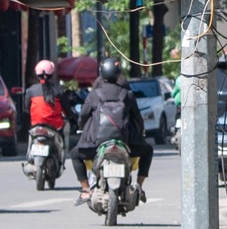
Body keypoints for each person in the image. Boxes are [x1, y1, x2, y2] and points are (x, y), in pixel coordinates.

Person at [72, 57, 152, 201]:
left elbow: (83, 116)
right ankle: (139, 186)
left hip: (96, 144)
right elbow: (137, 118)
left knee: (75, 154)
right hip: (125, 142)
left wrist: (81, 127)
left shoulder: (94, 94)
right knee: (148, 150)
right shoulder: (127, 94)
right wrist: (140, 132)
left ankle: (85, 190)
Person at [23, 59, 76, 137]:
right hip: (55, 127)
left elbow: (26, 109)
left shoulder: (31, 91)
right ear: (51, 74)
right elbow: (67, 109)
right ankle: (64, 148)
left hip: (36, 127)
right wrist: (70, 116)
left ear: (37, 74)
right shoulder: (58, 90)